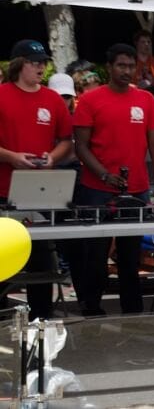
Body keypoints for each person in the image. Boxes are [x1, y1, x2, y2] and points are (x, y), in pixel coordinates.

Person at [69, 43, 154, 316]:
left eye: (131, 66)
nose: (127, 71)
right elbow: (81, 146)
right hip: (96, 188)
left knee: (130, 255)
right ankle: (91, 306)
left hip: (136, 189)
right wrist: (103, 173)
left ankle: (132, 311)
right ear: (109, 68)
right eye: (121, 66)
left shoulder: (146, 100)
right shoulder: (90, 100)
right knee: (96, 253)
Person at [0, 39, 73, 320]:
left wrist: (53, 156)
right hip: (4, 190)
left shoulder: (53, 99)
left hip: (41, 192)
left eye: (44, 62)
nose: (42, 67)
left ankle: (40, 317)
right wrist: (11, 156)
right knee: (4, 257)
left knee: (42, 258)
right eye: (35, 62)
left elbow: (67, 141)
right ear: (19, 64)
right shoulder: (3, 94)